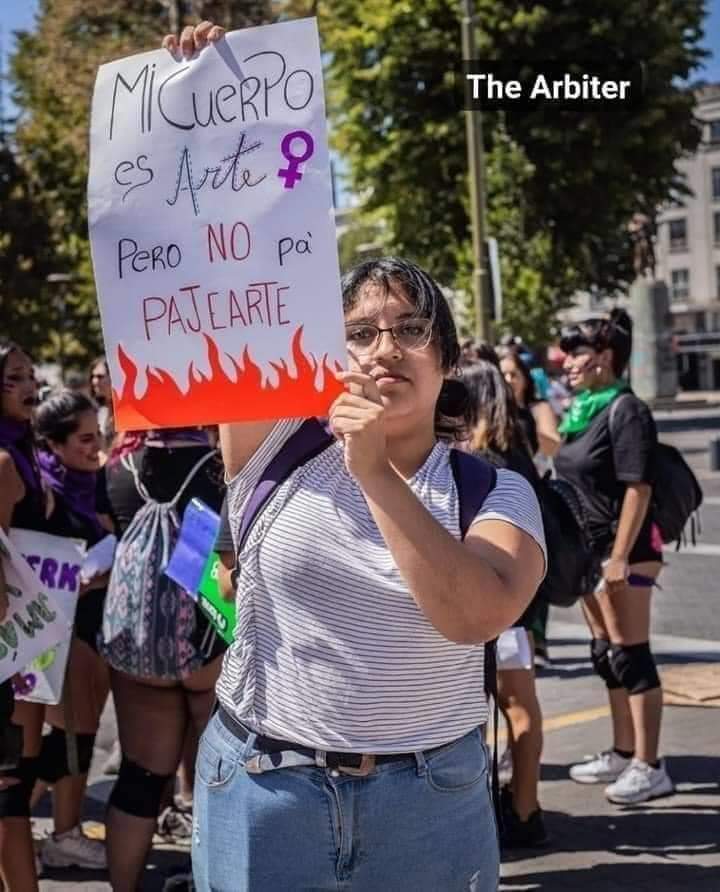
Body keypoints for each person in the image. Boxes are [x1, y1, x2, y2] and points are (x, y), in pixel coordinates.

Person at [145, 85, 546, 869]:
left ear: (450, 357)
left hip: (428, 805)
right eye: (361, 332)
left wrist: (377, 477)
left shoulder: (492, 493)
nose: (385, 347)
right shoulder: (275, 448)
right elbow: (230, 267)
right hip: (265, 791)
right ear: (332, 349)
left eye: (411, 329)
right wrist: (207, 97)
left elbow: (475, 616)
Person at [555, 309, 673, 804]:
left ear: (604, 357)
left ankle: (651, 765)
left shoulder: (626, 409)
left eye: (576, 353)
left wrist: (620, 556)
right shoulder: (583, 409)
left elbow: (637, 488)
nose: (566, 362)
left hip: (624, 553)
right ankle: (623, 752)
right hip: (590, 553)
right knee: (606, 656)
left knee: (631, 656)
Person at [100, 426, 225, 892]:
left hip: (138, 651)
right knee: (218, 781)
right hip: (208, 647)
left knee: (140, 777)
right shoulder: (223, 470)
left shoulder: (118, 471)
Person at [461, 359, 547, 848]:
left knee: (507, 706)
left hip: (498, 613)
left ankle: (520, 809)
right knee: (522, 705)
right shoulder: (517, 454)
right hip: (520, 610)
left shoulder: (479, 467)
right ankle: (525, 806)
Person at [28, 391, 114, 870]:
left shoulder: (97, 483)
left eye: (98, 433)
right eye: (84, 438)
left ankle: (64, 833)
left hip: (95, 629)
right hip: (63, 633)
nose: (96, 445)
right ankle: (14, 834)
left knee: (74, 743)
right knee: (63, 747)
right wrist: (93, 576)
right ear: (55, 445)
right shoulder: (43, 495)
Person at [0, 339, 49, 892]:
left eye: (32, 373)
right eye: (16, 376)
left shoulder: (24, 449)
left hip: (25, 640)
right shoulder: (4, 460)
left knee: (15, 789)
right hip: (13, 643)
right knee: (10, 791)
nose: (31, 384)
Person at [498, 348, 560, 461]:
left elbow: (554, 448)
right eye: (503, 376)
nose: (508, 380)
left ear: (525, 380)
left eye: (513, 375)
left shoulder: (540, 408)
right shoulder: (493, 412)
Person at [89, 357, 114, 458]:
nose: (94, 381)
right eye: (92, 377)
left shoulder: (130, 413)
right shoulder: (100, 413)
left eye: (100, 376)